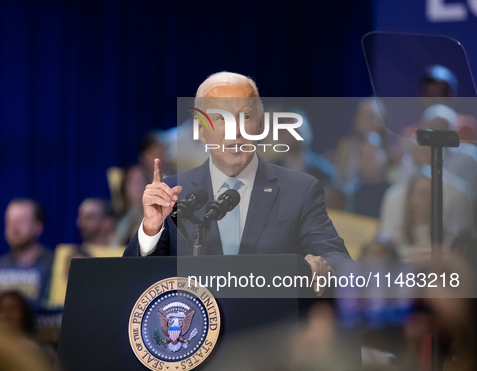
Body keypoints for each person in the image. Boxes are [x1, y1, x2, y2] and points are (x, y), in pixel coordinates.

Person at [124, 72, 355, 295]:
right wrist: (150, 231)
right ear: (202, 131)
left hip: (272, 330)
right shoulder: (174, 193)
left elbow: (338, 258)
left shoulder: (300, 190)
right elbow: (133, 278)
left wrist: (323, 266)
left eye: (245, 117)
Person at [0, 198, 54, 310]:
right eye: (10, 221)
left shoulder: (54, 265)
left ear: (38, 227)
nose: (14, 227)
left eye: (21, 221)